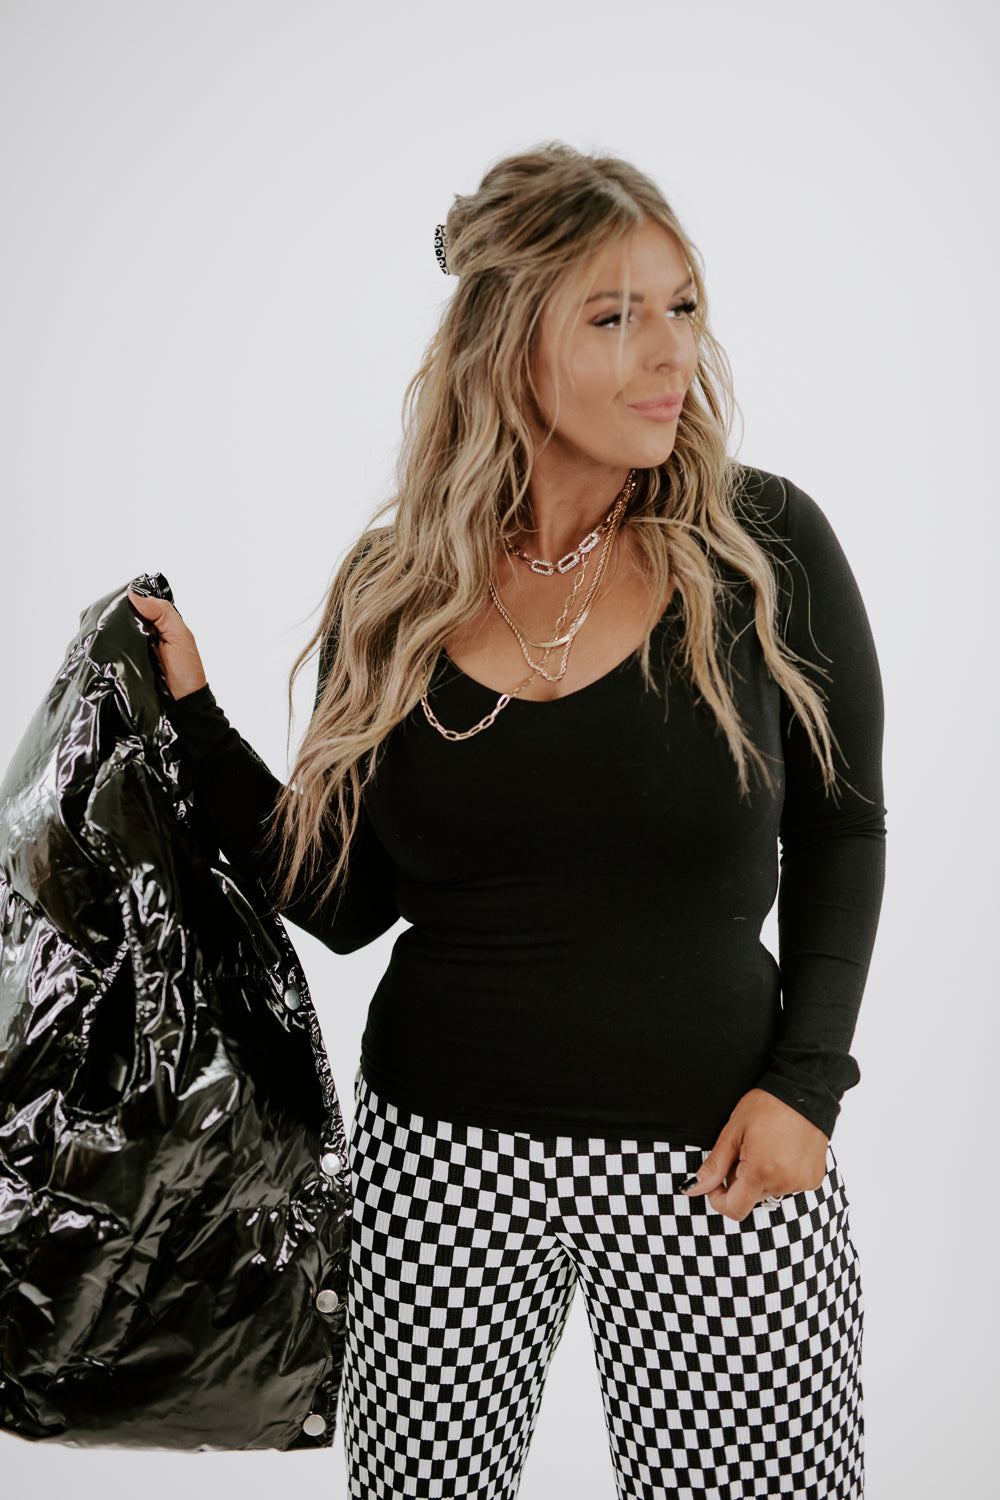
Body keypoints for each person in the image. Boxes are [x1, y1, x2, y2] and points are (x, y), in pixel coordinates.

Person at [128, 143, 885, 1500]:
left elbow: (845, 828)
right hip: (443, 1159)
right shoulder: (399, 589)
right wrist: (194, 718)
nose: (672, 351)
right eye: (614, 316)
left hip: (724, 1151)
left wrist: (806, 1085)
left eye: (682, 305)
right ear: (505, 343)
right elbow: (346, 902)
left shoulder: (764, 547)